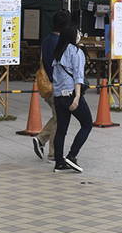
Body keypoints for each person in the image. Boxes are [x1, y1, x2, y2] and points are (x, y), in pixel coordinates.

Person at [50, 17, 92, 173]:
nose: (79, 34)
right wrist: (77, 97)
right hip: (71, 94)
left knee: (61, 129)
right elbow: (78, 76)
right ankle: (72, 155)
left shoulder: (58, 51)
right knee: (87, 124)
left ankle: (59, 162)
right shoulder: (76, 51)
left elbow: (56, 76)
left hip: (58, 95)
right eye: (78, 32)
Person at [30, 10, 69, 161]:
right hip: (55, 85)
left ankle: (41, 140)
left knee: (58, 116)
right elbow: (57, 66)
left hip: (47, 84)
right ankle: (52, 151)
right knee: (60, 118)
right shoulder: (58, 42)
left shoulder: (47, 39)